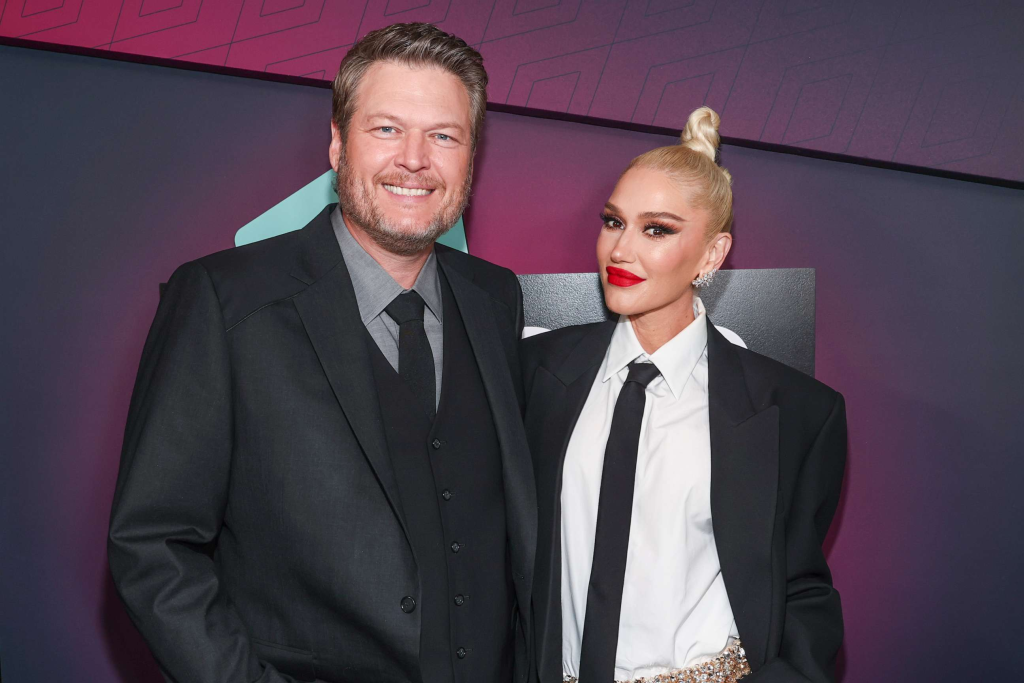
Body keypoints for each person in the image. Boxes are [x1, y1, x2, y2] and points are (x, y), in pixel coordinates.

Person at [108, 23, 536, 683]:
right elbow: (152, 544)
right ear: (338, 143)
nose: (415, 159)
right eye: (387, 129)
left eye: (444, 136)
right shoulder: (224, 300)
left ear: (471, 157)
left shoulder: (496, 297)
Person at [522, 107, 846, 683]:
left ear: (713, 254)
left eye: (657, 229)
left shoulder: (793, 410)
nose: (620, 250)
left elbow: (799, 586)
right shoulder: (534, 372)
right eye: (613, 222)